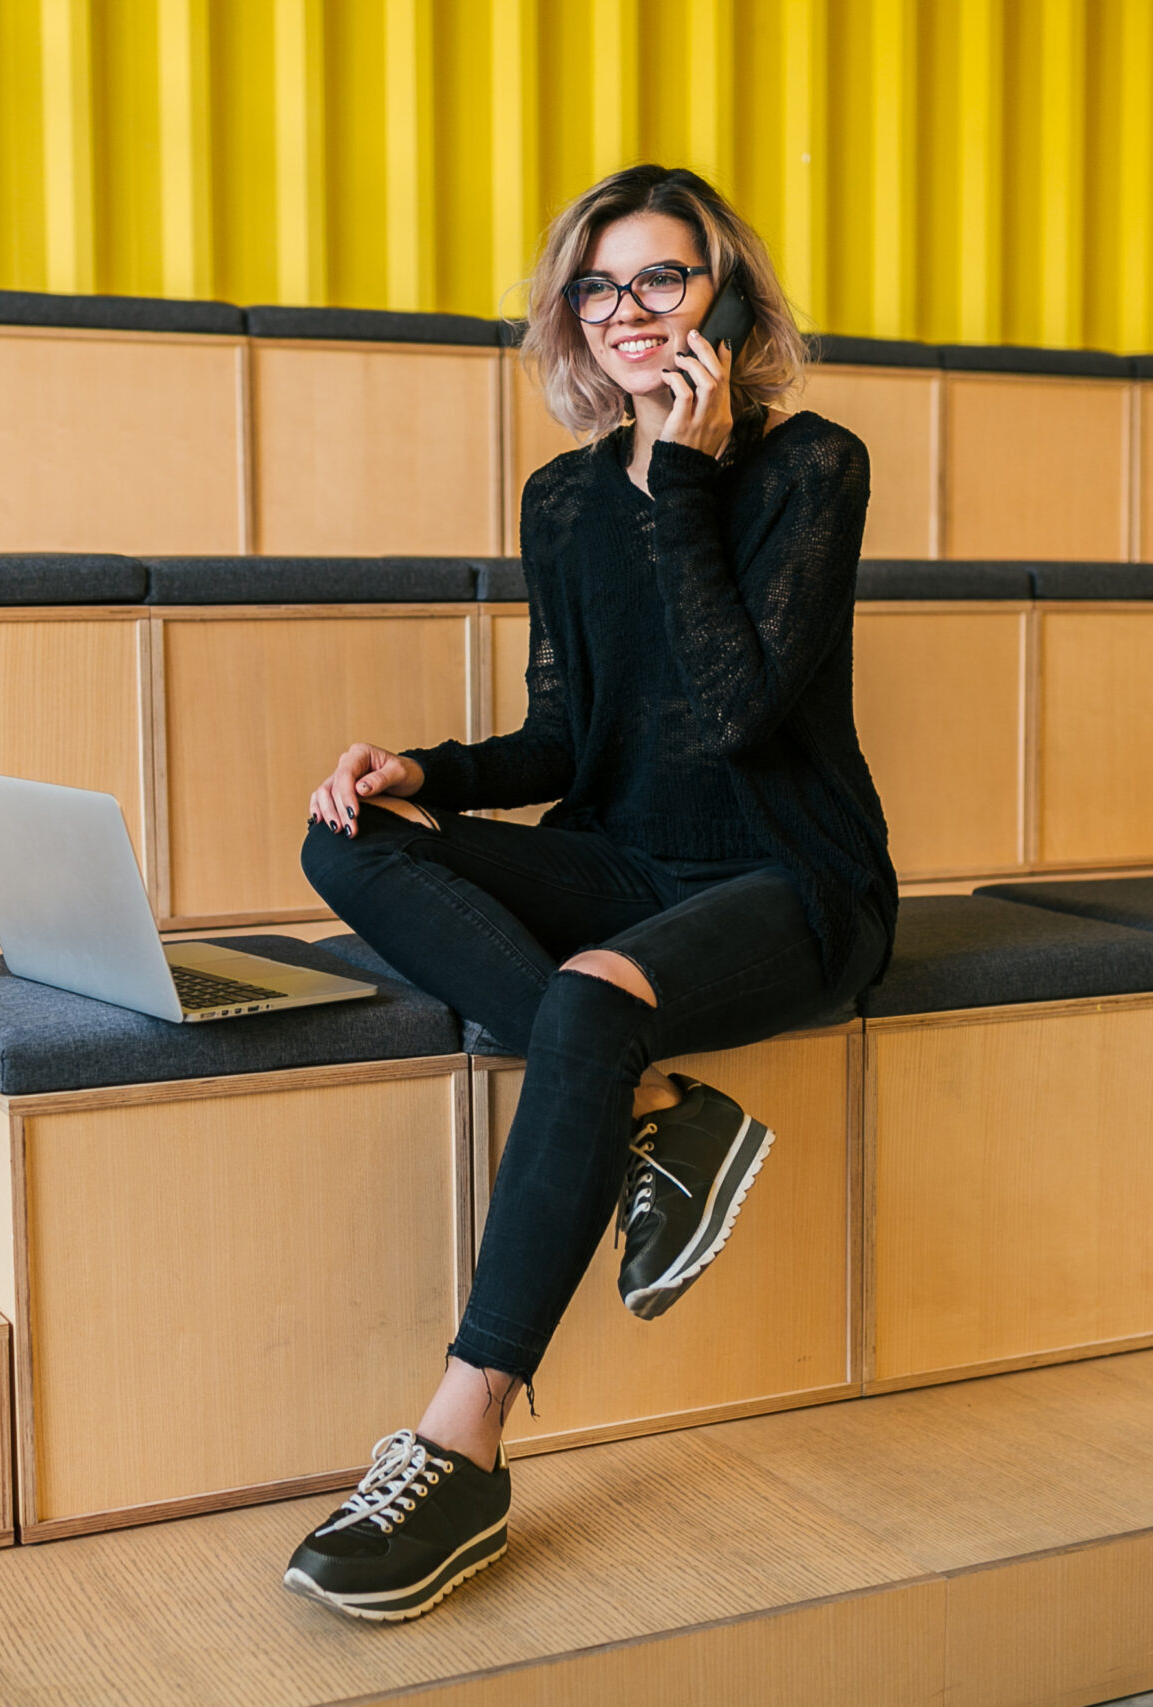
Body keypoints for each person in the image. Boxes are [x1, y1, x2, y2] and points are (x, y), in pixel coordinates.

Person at [279, 163, 898, 1622]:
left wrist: (686, 473)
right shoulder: (560, 500)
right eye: (601, 286)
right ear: (572, 313)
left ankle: (460, 1441)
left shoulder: (815, 469)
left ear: (725, 298)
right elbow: (570, 735)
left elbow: (741, 718)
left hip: (791, 876)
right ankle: (651, 1118)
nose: (630, 312)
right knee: (345, 840)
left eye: (664, 280)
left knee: (584, 993)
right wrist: (419, 765)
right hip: (626, 858)